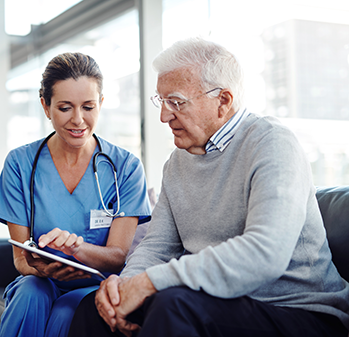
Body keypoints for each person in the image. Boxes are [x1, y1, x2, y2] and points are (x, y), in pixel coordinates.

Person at [67, 37, 349, 337]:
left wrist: (150, 282)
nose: (164, 116)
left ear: (223, 101)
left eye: (175, 102)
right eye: (161, 101)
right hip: (216, 304)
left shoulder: (272, 143)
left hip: (298, 311)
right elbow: (158, 246)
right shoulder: (177, 163)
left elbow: (266, 254)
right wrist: (125, 286)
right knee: (93, 309)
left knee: (172, 305)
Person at [0, 52, 152, 337]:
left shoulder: (125, 167)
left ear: (101, 104)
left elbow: (118, 256)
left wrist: (75, 251)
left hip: (95, 283)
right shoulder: (20, 164)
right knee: (30, 294)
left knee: (67, 311)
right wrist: (42, 268)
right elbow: (20, 259)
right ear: (45, 106)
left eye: (88, 107)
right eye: (65, 108)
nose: (78, 120)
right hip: (39, 281)